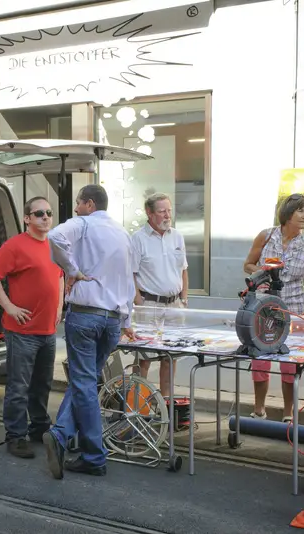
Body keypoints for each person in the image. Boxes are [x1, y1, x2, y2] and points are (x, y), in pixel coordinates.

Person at [42, 184, 136, 479]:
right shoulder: (123, 234)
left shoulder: (82, 223)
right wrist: (127, 320)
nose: (76, 210)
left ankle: (93, 455)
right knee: (84, 382)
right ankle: (61, 434)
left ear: (89, 204)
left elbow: (54, 236)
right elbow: (129, 281)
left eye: (78, 204)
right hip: (112, 320)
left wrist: (71, 269)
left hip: (85, 316)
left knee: (83, 384)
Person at [0, 196, 64, 459]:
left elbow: (60, 276)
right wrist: (9, 307)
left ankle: (39, 427)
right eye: (39, 213)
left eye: (49, 213)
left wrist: (60, 307)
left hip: (47, 331)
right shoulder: (15, 246)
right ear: (27, 218)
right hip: (22, 332)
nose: (46, 217)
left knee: (42, 384)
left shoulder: (53, 245)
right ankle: (15, 436)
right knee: (19, 386)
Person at [243, 193, 304, 422]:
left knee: (290, 364)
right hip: (264, 307)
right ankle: (259, 410)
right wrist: (263, 272)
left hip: (293, 309)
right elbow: (247, 265)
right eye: (300, 210)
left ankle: (288, 413)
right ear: (287, 213)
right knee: (260, 359)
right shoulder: (266, 236)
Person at [131, 192, 188, 399]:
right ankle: (138, 402)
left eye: (169, 210)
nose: (167, 215)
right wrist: (139, 302)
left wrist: (184, 298)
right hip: (149, 304)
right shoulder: (138, 239)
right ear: (149, 213)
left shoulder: (177, 236)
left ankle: (166, 401)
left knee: (170, 356)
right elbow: (131, 275)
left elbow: (183, 269)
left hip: (174, 305)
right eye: (162, 211)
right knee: (144, 357)